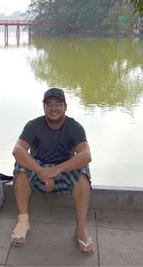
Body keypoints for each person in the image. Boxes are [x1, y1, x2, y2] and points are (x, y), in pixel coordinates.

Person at [11, 88, 94, 254]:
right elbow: (17, 150)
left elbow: (86, 155)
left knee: (83, 170)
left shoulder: (74, 127)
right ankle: (23, 221)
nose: (53, 108)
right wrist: (41, 171)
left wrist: (57, 170)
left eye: (58, 104)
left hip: (63, 171)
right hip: (39, 170)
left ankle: (81, 229)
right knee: (20, 165)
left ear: (65, 107)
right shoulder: (33, 125)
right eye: (48, 104)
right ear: (43, 108)